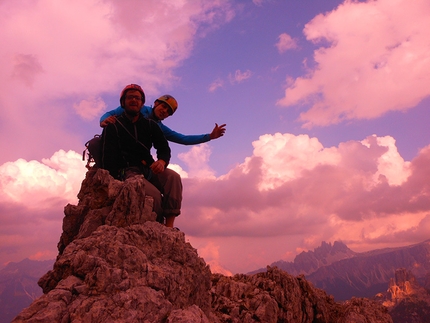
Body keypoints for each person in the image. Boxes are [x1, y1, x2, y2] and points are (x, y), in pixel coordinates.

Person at [101, 84, 182, 228]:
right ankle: (157, 227)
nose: (134, 100)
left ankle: (169, 228)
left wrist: (162, 161)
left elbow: (164, 148)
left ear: (142, 103)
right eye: (130, 97)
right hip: (127, 171)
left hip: (148, 168)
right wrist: (115, 179)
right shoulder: (113, 125)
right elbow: (108, 157)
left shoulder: (151, 125)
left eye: (138, 98)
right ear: (123, 102)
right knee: (154, 196)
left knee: (173, 178)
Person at [100, 94, 226, 145]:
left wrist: (209, 136)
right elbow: (111, 113)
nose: (164, 111)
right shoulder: (138, 108)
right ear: (155, 103)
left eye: (168, 112)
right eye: (164, 106)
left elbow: (183, 139)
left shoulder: (159, 127)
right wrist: (104, 120)